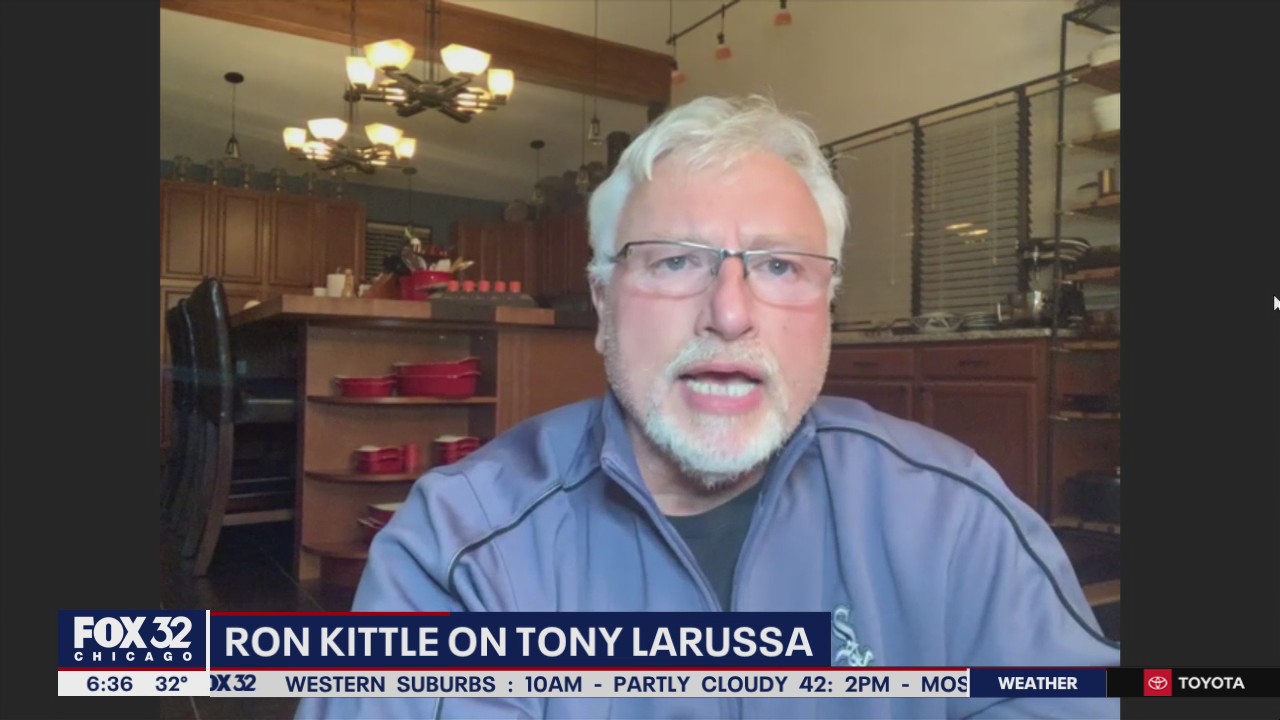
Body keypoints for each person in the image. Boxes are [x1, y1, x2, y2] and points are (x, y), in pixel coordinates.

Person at [296, 95, 1120, 719]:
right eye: (675, 261)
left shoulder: (952, 513)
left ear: (828, 310)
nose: (729, 313)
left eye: (780, 267)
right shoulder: (461, 550)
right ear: (604, 304)